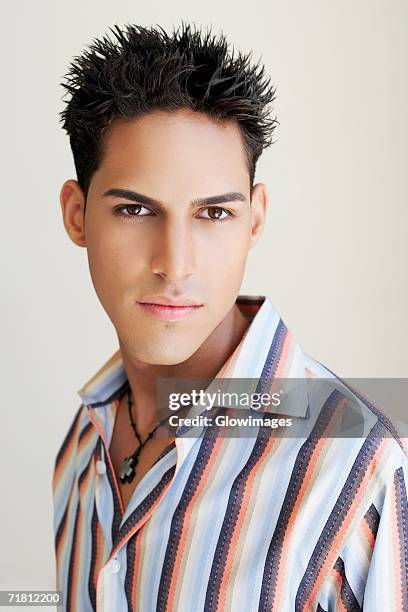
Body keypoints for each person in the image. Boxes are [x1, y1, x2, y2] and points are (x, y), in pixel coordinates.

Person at [52, 22, 407, 611]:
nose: (176, 263)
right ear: (77, 214)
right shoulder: (79, 447)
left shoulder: (359, 470)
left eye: (213, 213)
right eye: (136, 209)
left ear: (255, 219)